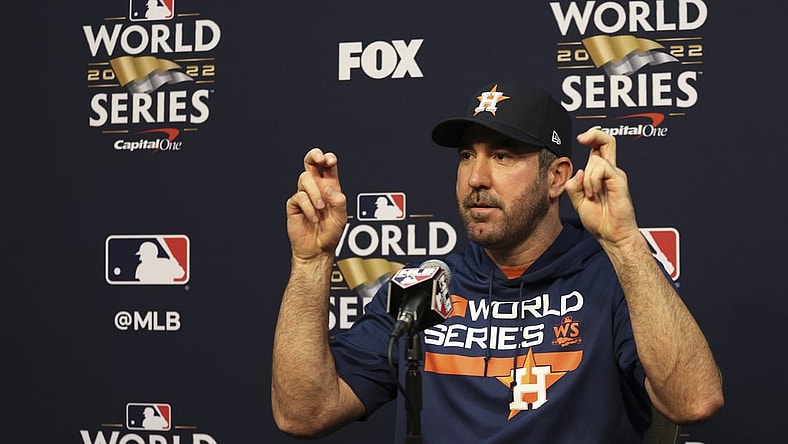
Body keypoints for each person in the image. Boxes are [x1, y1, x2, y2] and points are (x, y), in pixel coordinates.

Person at [272, 80, 724, 443]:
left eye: (502, 156)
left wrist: (625, 245)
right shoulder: (427, 286)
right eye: (468, 155)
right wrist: (312, 261)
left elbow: (694, 402)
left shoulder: (612, 278)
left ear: (557, 177)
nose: (476, 177)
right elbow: (304, 414)